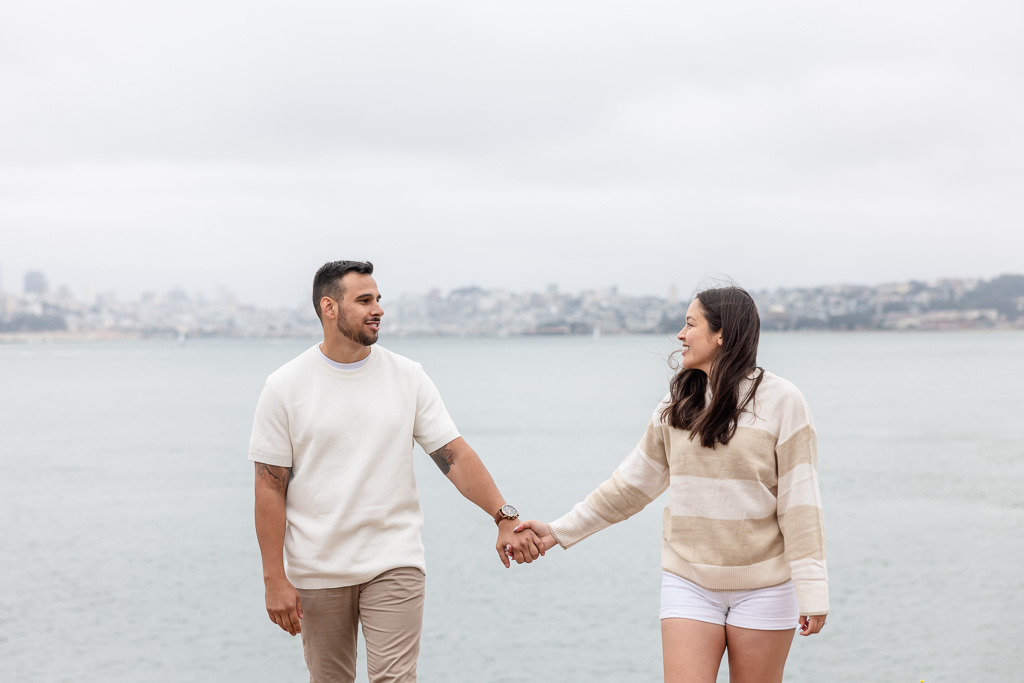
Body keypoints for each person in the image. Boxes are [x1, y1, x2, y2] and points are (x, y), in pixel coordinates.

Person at [515, 286, 828, 683]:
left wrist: (813, 589)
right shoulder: (675, 405)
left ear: (722, 335)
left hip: (765, 586)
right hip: (689, 583)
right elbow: (630, 486)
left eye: (690, 324)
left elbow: (800, 503)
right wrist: (558, 531)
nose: (680, 334)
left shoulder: (784, 400)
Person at [250, 260, 541, 683]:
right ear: (329, 308)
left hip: (394, 560)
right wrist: (274, 579)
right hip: (318, 568)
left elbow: (453, 455)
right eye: (364, 300)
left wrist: (504, 516)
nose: (378, 309)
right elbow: (268, 488)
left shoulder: (407, 376)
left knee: (395, 679)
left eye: (379, 299)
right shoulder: (284, 386)